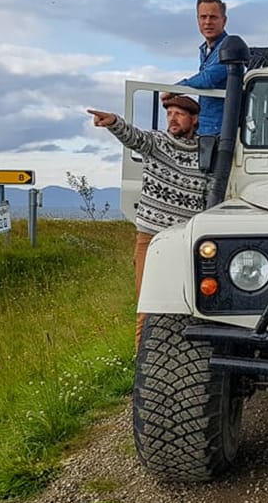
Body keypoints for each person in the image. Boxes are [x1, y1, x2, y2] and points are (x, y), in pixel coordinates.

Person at [87, 95, 206, 349]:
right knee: (147, 304)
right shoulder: (158, 142)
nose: (172, 119)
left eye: (179, 114)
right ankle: (141, 365)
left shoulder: (205, 152)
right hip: (151, 239)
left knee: (189, 303)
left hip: (186, 240)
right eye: (169, 114)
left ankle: (180, 357)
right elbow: (134, 137)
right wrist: (113, 122)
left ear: (194, 119)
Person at [162, 0, 229, 136]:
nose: (207, 22)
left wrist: (176, 89)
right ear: (197, 20)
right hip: (205, 128)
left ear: (224, 21)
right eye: (203, 17)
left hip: (220, 131)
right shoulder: (206, 50)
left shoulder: (228, 48)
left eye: (213, 17)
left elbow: (208, 79)